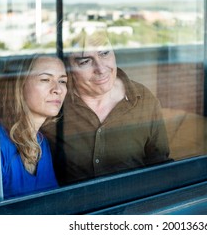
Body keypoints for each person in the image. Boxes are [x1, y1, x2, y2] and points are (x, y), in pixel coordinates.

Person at [43, 31, 170, 185]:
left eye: (104, 53)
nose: (101, 69)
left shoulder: (144, 99)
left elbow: (160, 168)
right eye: (85, 61)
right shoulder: (53, 101)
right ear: (67, 67)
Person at [0, 54, 68, 198]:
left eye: (62, 81)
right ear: (19, 84)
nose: (58, 89)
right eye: (45, 79)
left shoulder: (41, 143)